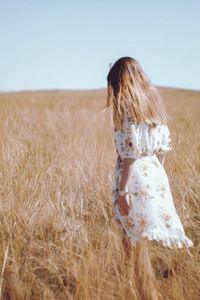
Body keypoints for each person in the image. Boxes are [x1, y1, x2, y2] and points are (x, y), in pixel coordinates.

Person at [106, 57, 194, 300]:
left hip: (133, 178)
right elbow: (163, 149)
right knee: (136, 241)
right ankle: (147, 292)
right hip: (154, 175)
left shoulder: (126, 109)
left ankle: (148, 294)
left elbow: (130, 154)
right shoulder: (153, 106)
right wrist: (157, 179)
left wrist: (123, 192)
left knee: (132, 243)